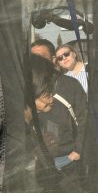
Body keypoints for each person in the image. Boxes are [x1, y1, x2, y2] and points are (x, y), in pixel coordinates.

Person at [29, 43, 88, 171]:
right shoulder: (27, 87)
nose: (38, 62)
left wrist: (78, 151)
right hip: (40, 161)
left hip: (68, 159)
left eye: (42, 57)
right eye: (34, 58)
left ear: (53, 59)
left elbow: (84, 119)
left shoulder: (69, 84)